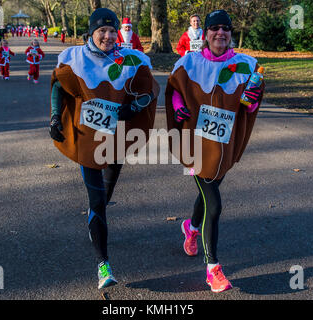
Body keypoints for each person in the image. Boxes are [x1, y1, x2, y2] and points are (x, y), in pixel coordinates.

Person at [49, 8, 159, 290]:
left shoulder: (130, 59)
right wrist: (54, 117)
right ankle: (103, 265)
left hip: (116, 139)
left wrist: (132, 107)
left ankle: (96, 218)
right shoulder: (75, 57)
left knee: (105, 195)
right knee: (97, 202)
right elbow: (59, 87)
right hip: (88, 138)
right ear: (91, 33)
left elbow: (150, 90)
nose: (108, 36)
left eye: (112, 31)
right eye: (102, 31)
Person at [165, 9, 265, 293]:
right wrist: (177, 107)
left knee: (207, 195)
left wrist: (254, 100)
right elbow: (175, 87)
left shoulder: (245, 65)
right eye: (214, 28)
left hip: (223, 144)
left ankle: (191, 228)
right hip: (195, 143)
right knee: (215, 202)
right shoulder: (190, 62)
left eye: (225, 28)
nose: (220, 33)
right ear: (206, 34)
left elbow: (249, 104)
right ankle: (213, 270)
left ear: (230, 33)